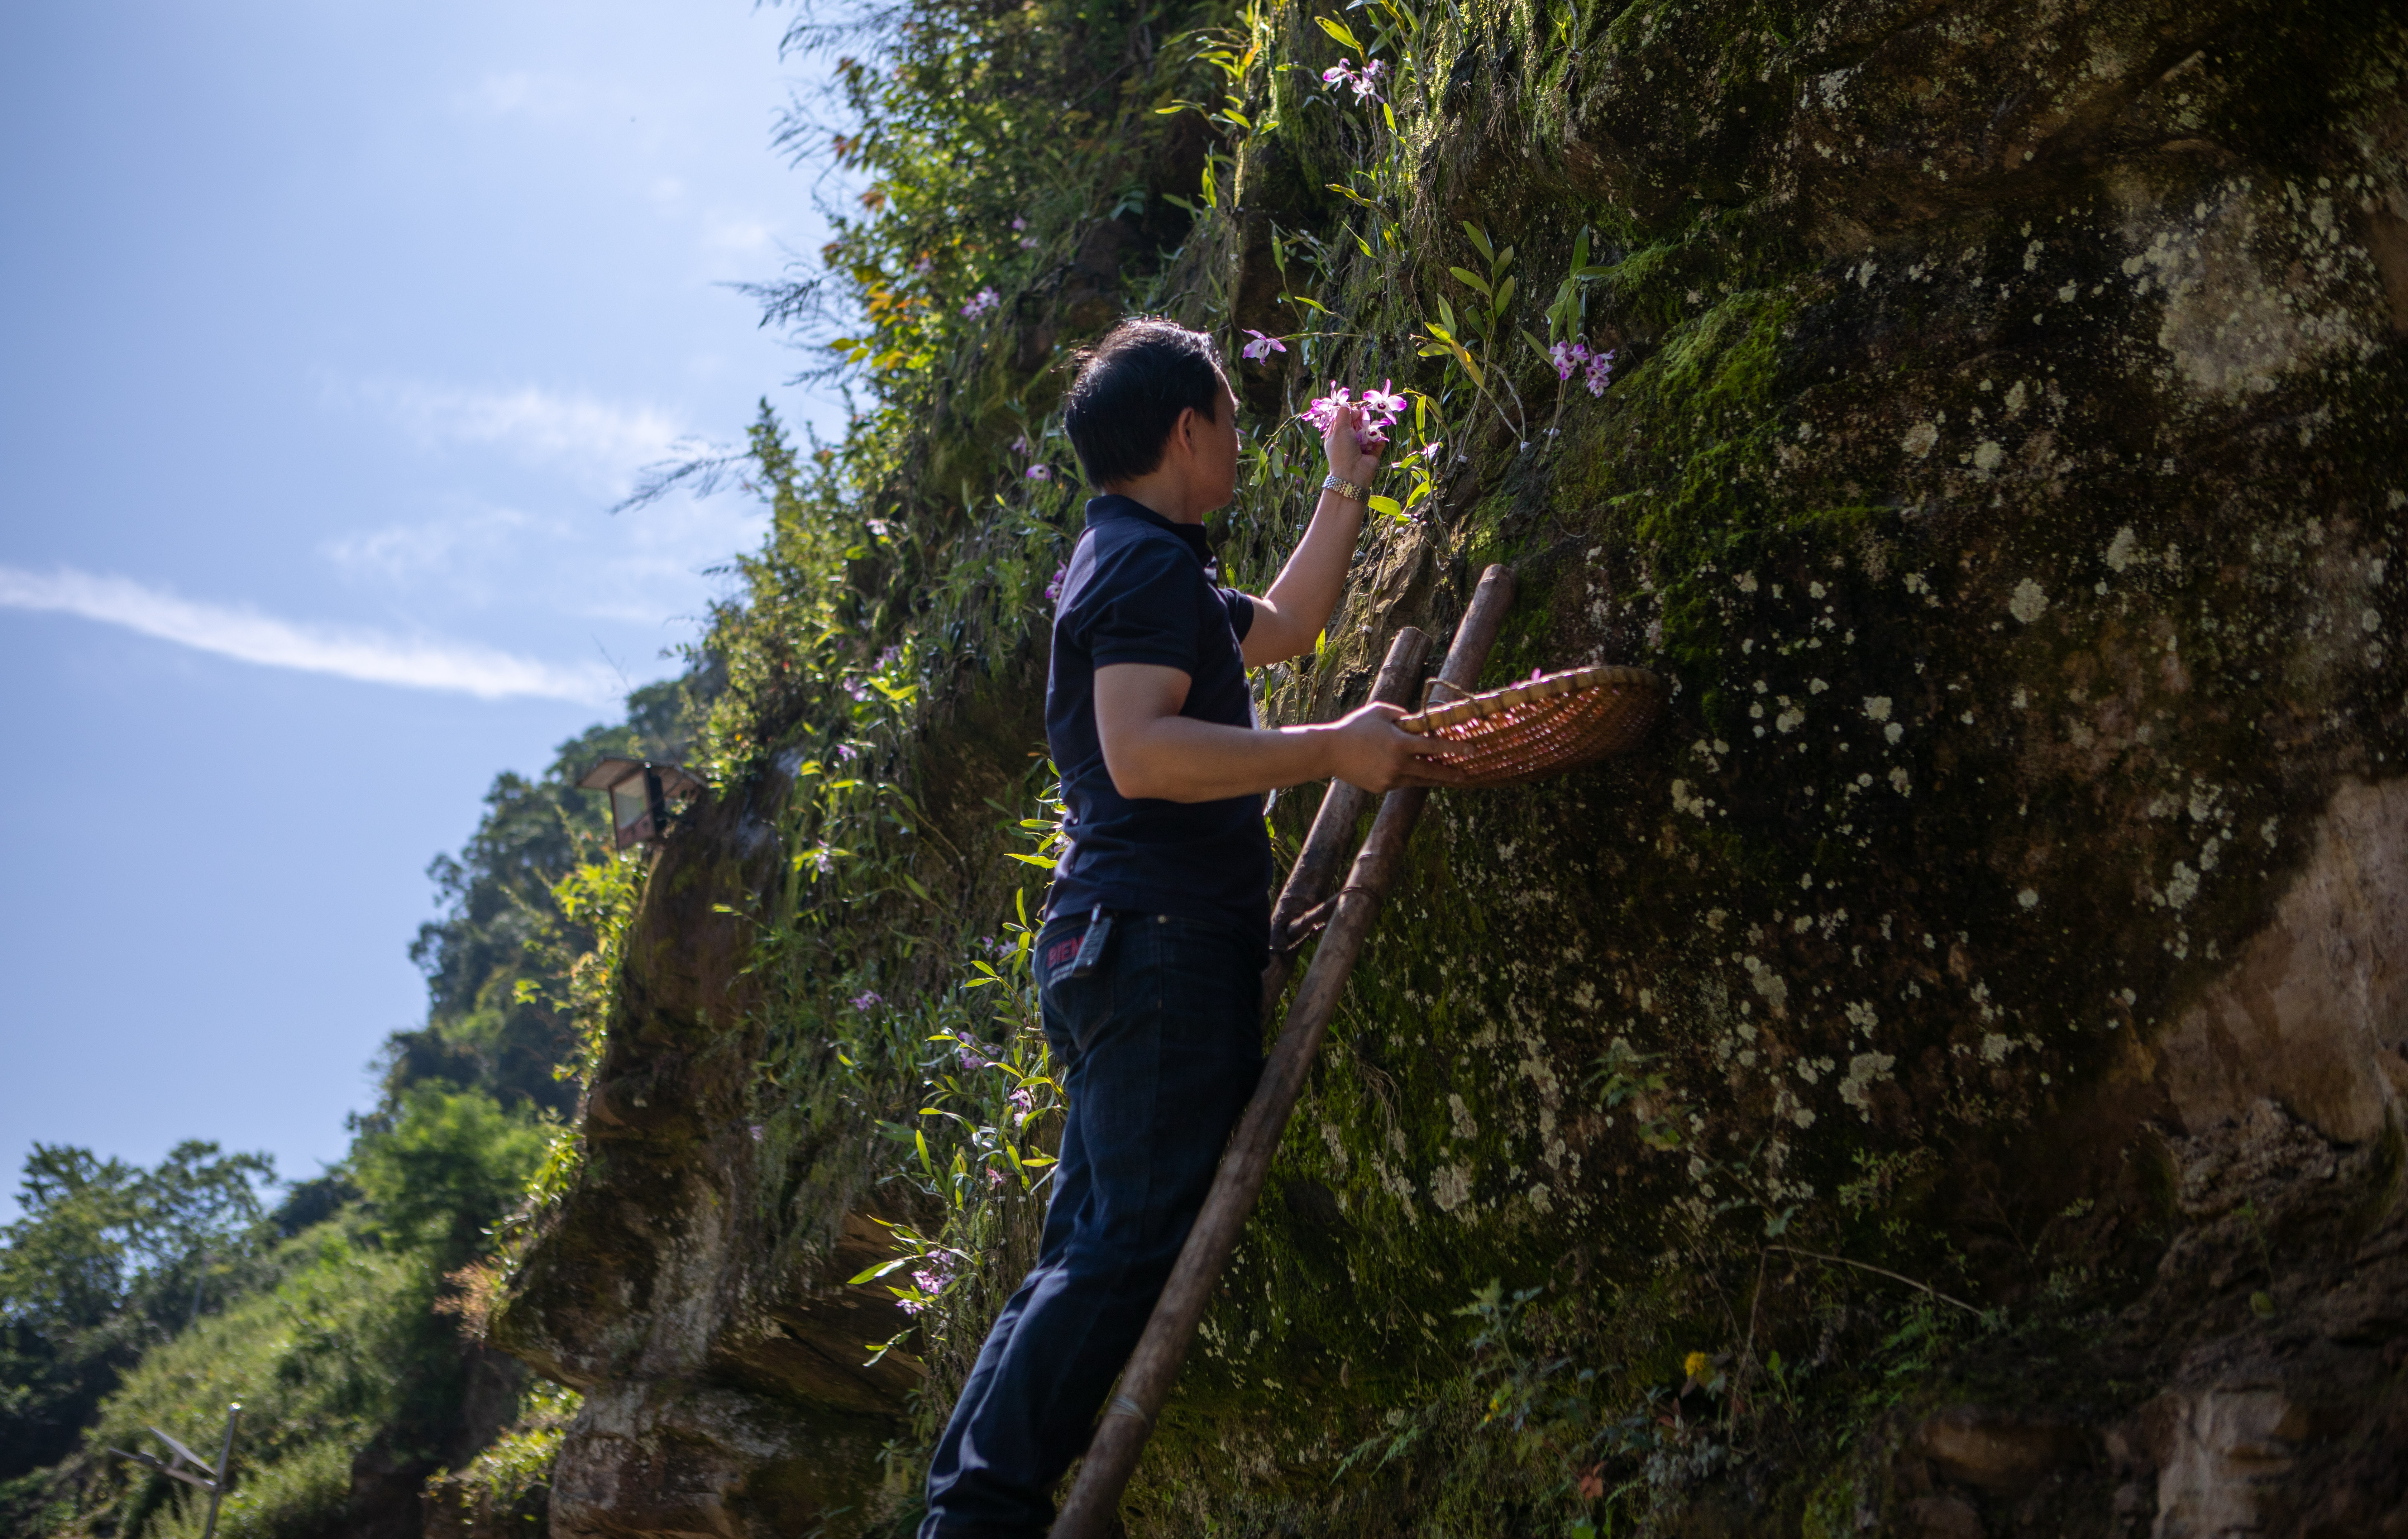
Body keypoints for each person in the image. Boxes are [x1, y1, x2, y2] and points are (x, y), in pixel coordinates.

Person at [917, 317, 1458, 1537]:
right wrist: (1332, 748)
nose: (1235, 438)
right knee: (1121, 1248)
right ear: (1187, 430)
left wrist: (1344, 482)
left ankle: (967, 1502)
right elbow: (1145, 752)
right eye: (1229, 414)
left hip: (1116, 940)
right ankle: (986, 1513)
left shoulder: (1138, 562)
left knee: (1087, 1243)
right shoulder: (1145, 571)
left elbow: (1285, 627)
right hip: (1154, 938)